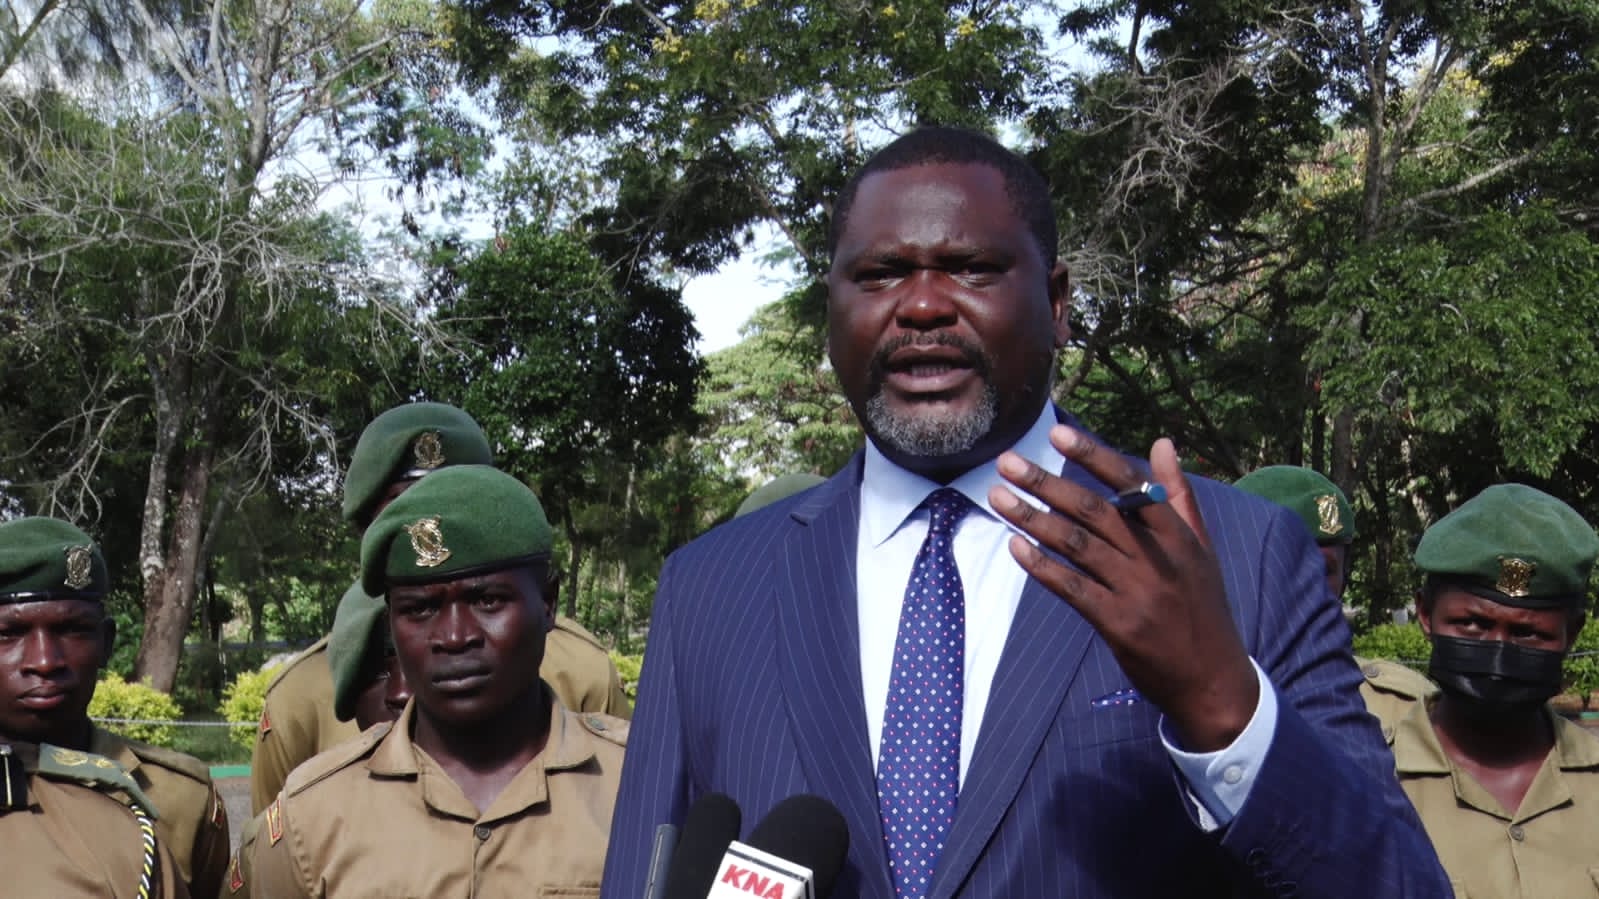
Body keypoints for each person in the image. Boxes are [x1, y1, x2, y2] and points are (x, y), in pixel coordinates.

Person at [602, 126, 1449, 898]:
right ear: (832, 306)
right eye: (880, 273)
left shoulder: (1239, 551)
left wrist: (1222, 706)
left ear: (1056, 300)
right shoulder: (709, 587)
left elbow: (1399, 886)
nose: (923, 304)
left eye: (970, 268)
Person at [248, 465, 626, 896]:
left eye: (487, 600)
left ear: (548, 603)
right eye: (420, 609)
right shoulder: (311, 816)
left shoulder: (636, 785)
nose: (454, 637)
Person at [250, 401, 632, 813]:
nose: (438, 518)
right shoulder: (302, 694)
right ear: (367, 532)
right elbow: (273, 851)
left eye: (460, 501)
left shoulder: (581, 667)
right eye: (407, 511)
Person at [1393, 483, 1599, 897]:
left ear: (1571, 633)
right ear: (1426, 615)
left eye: (1528, 633)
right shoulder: (1365, 784)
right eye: (1472, 625)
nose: (1499, 654)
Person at [1, 516, 195, 898]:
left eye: (72, 630)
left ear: (106, 643)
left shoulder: (181, 797)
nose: (44, 661)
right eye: (10, 633)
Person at [1234, 465, 1436, 737]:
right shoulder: (1172, 702)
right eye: (1286, 567)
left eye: (1324, 569)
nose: (1308, 585)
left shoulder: (1408, 706)